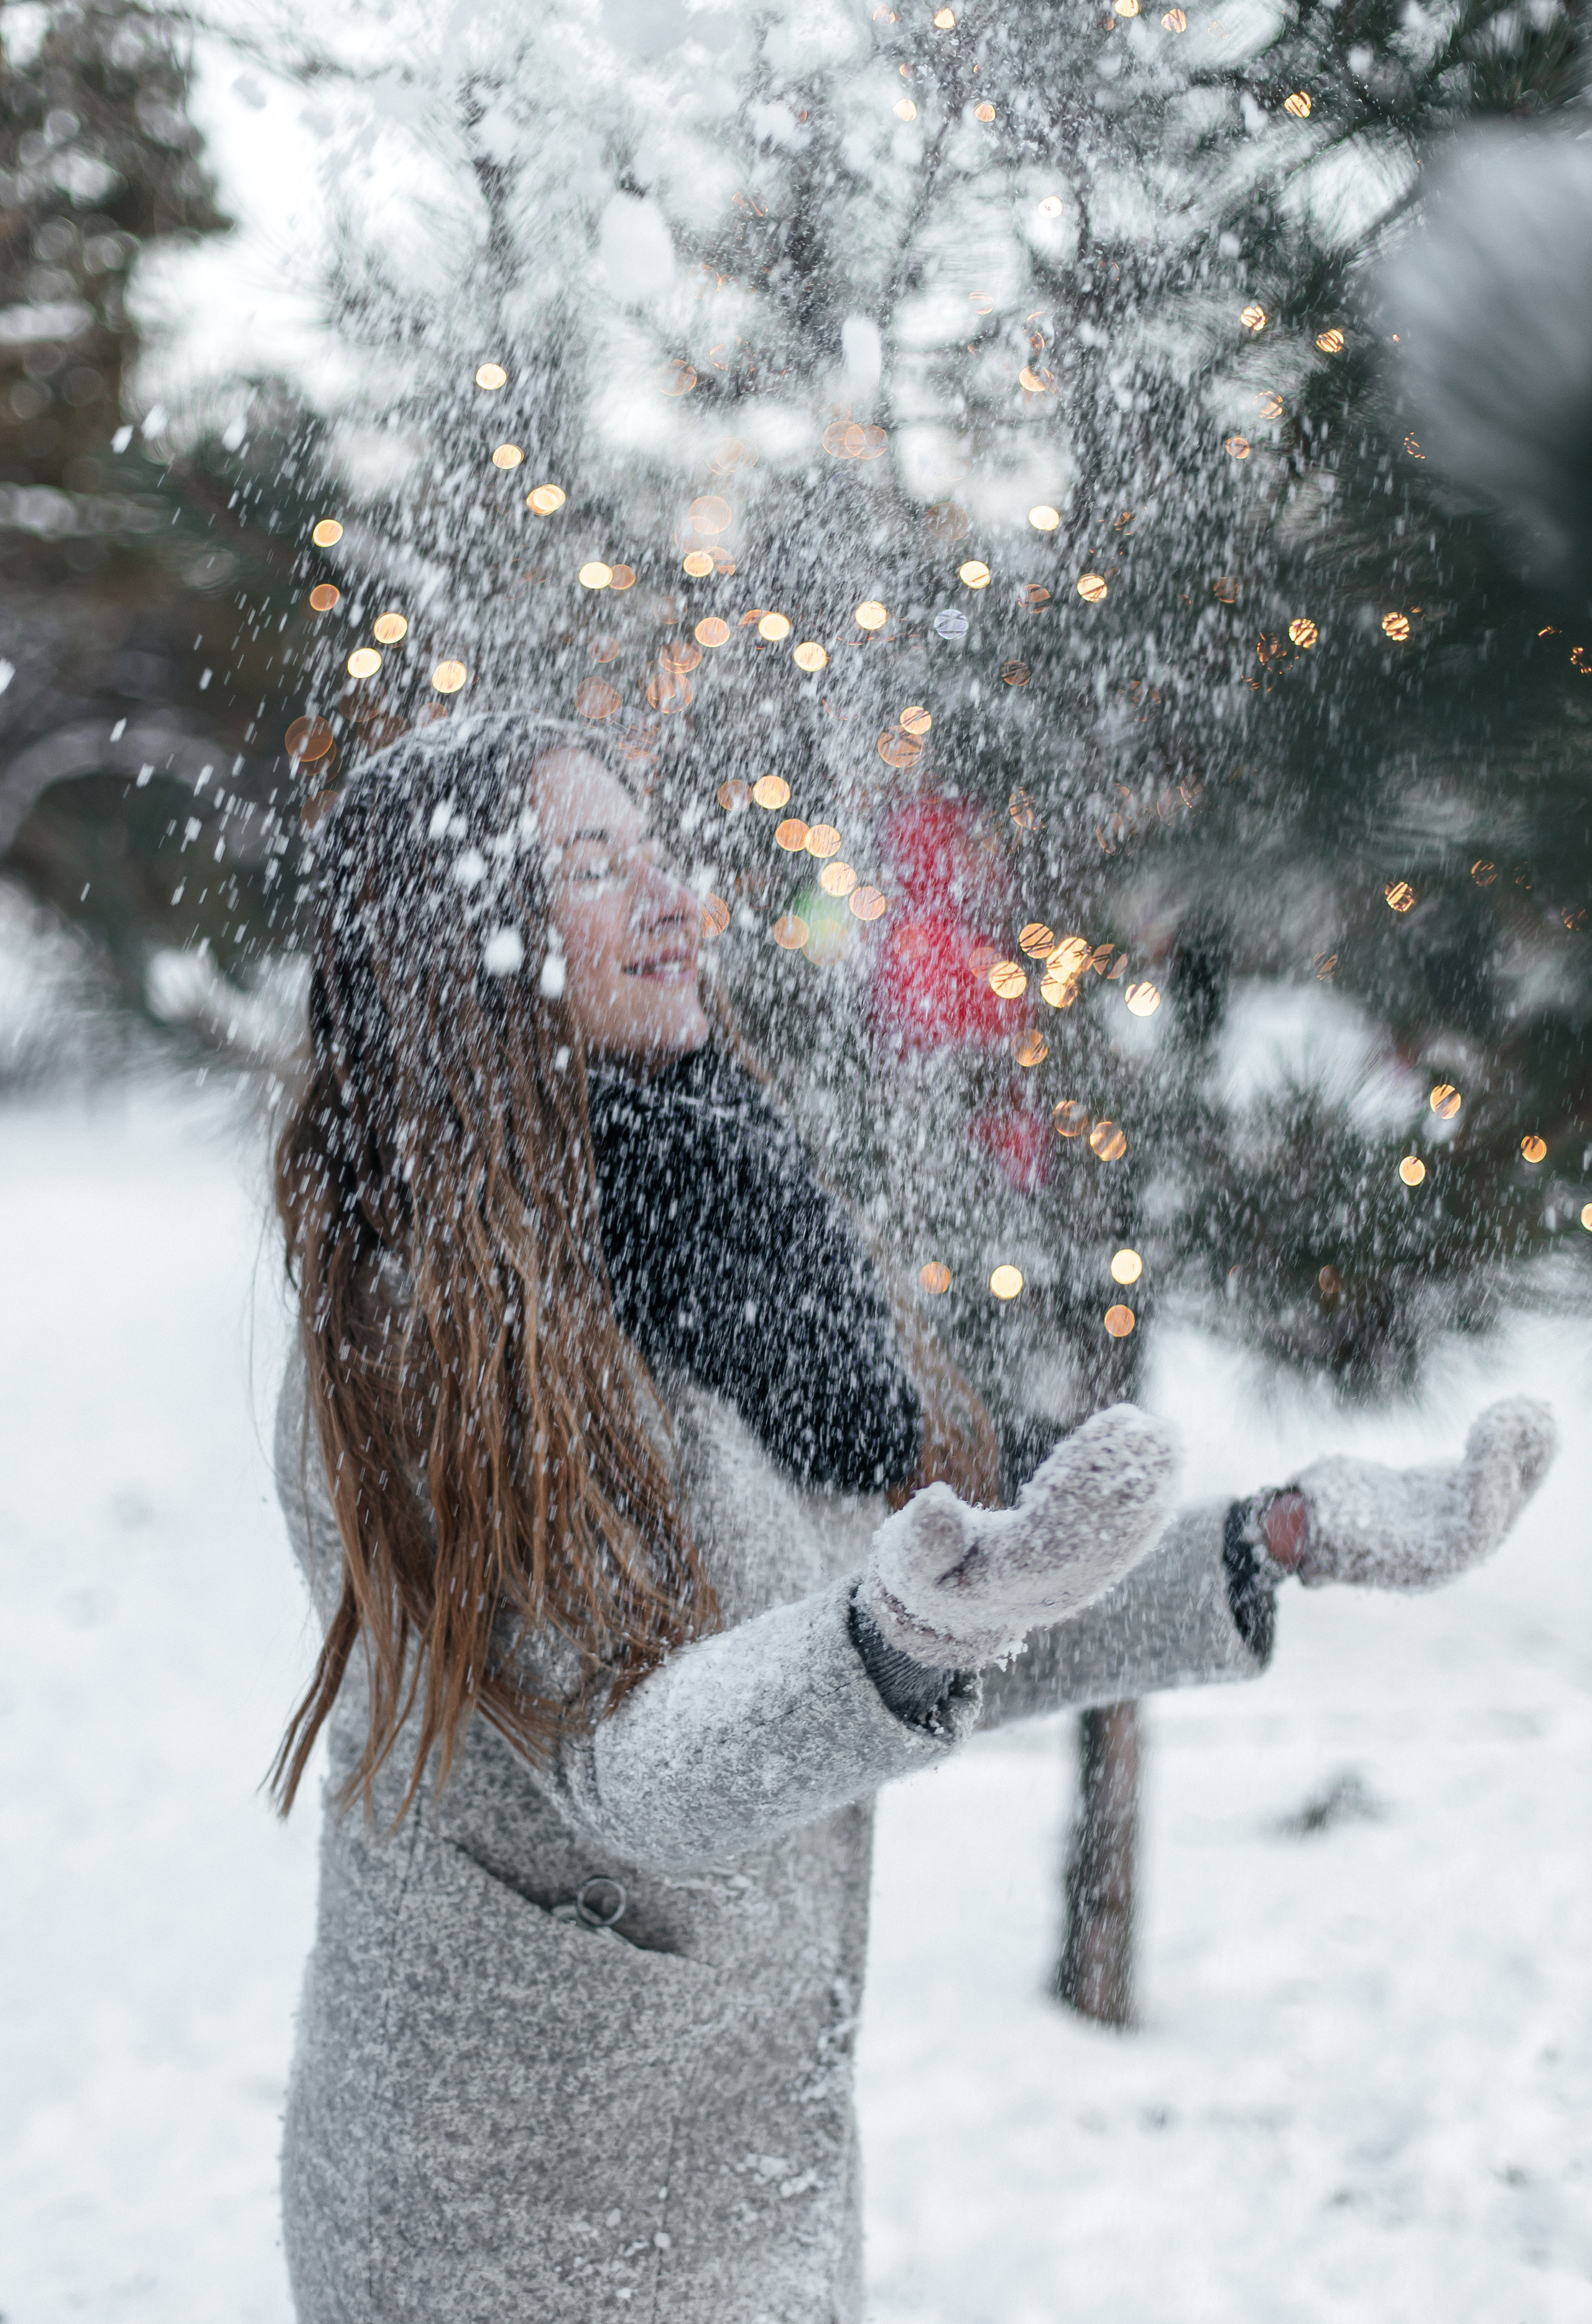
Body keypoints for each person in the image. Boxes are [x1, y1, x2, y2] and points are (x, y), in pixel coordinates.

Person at [271, 710, 1554, 2324]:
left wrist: (1262, 1542)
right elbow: (639, 1766)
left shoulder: (726, 1231)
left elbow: (892, 1636)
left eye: (653, 847)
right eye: (593, 869)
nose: (673, 896)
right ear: (463, 949)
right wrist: (903, 1633)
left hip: (751, 2170)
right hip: (514, 2222)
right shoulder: (430, 1329)